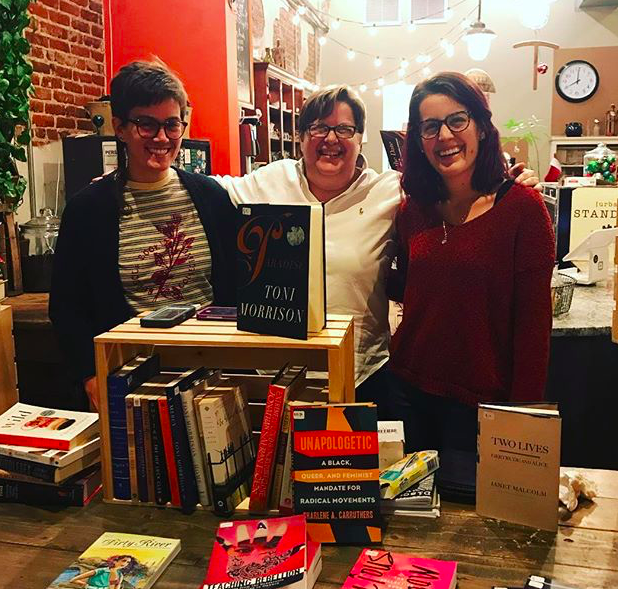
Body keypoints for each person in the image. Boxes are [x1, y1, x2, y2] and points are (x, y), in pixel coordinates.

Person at [215, 84, 540, 411]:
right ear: (300, 137)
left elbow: (450, 193)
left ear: (360, 139)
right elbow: (204, 190)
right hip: (275, 378)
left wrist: (506, 186)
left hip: (362, 378)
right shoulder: (266, 181)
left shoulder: (391, 193)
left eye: (345, 129)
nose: (331, 139)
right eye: (318, 128)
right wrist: (164, 150)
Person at [49, 61, 238, 409]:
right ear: (120, 128)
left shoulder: (211, 196)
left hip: (215, 374)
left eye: (172, 124)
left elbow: (239, 283)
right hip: (133, 382)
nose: (162, 138)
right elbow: (66, 306)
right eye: (146, 125)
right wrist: (89, 375)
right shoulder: (88, 209)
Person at [387, 72, 554, 462]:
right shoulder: (413, 212)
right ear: (419, 141)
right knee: (412, 521)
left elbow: (534, 331)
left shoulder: (522, 210)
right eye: (430, 127)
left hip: (481, 406)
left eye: (457, 120)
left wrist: (522, 417)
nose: (444, 136)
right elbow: (409, 290)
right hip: (407, 392)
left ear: (480, 126)